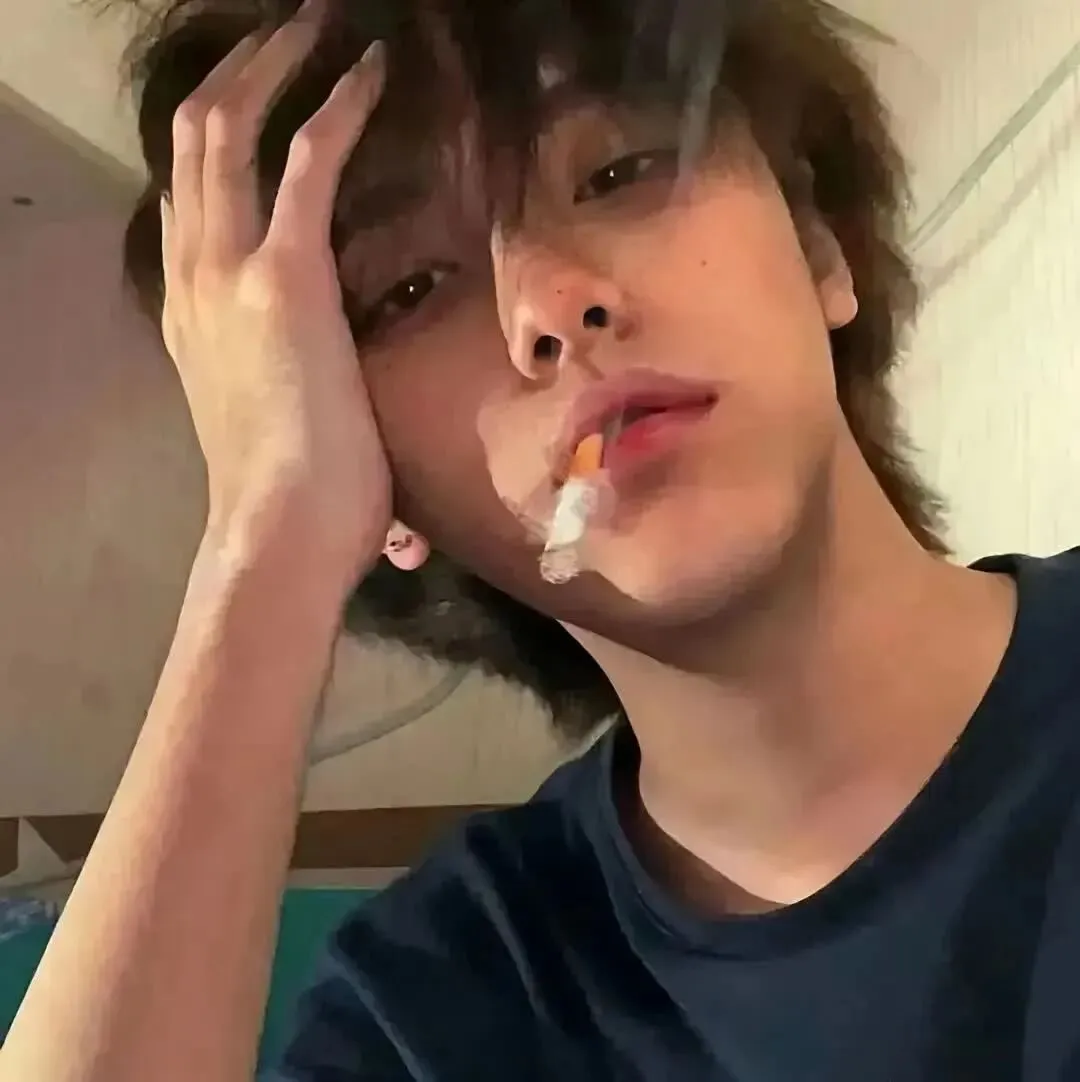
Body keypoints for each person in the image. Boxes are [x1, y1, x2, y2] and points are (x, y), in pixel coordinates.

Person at [2, 0, 1078, 1079]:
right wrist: (263, 543)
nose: (551, 305)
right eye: (410, 289)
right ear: (373, 479)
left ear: (818, 246)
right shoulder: (437, 1012)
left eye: (615, 174)